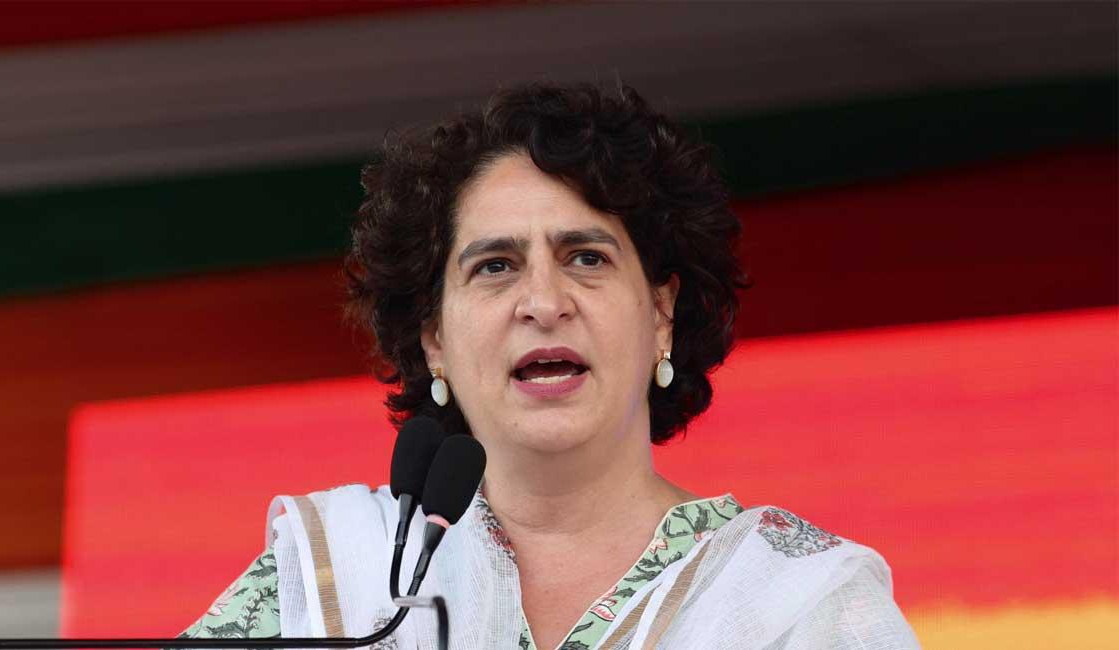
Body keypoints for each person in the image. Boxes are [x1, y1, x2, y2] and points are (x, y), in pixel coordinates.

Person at [180, 82, 920, 649]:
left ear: (661, 313)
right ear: (433, 337)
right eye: (496, 265)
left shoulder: (795, 600)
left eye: (586, 258)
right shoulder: (336, 574)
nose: (543, 301)